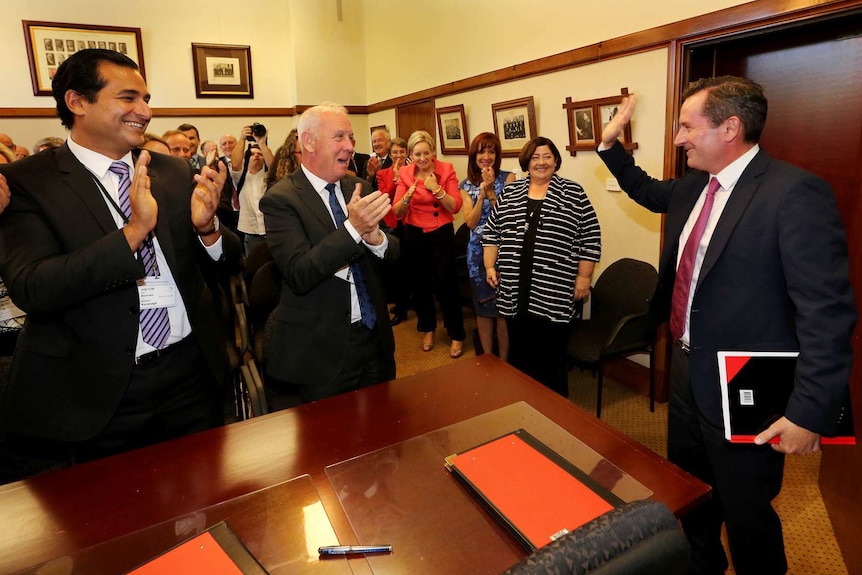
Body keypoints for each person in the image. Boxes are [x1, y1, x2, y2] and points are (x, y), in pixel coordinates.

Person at [597, 77, 855, 575]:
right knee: (692, 498)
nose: (678, 139)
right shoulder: (695, 184)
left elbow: (827, 314)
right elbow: (647, 191)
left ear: (730, 127)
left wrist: (808, 413)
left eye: (687, 127)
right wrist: (611, 144)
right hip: (686, 372)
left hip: (746, 385)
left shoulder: (793, 193)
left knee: (747, 517)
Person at [0, 48, 242, 466]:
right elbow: (35, 286)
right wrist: (132, 234)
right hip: (96, 392)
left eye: (146, 99)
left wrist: (208, 231)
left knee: (201, 507)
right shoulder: (29, 182)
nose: (144, 111)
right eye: (128, 98)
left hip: (190, 375)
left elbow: (227, 263)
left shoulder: (173, 172)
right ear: (77, 102)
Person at [259, 103, 398, 402]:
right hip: (324, 350)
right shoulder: (280, 200)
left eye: (351, 138)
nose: (349, 147)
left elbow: (394, 253)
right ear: (308, 141)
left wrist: (376, 238)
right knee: (331, 441)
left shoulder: (358, 186)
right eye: (339, 138)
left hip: (375, 339)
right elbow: (299, 273)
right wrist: (353, 229)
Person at [483, 137, 600, 396]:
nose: (541, 162)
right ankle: (521, 402)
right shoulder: (511, 192)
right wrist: (490, 266)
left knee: (551, 356)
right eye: (535, 157)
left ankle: (554, 411)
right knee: (519, 352)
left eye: (547, 156)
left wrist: (583, 276)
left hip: (553, 291)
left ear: (556, 161)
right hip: (514, 289)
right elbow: (492, 231)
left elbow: (590, 236)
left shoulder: (573, 193)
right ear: (526, 161)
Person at [393, 130, 466, 358]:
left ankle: (456, 333)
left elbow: (455, 206)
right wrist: (407, 196)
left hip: (440, 231)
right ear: (411, 155)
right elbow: (396, 211)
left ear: (433, 151)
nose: (422, 158)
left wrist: (436, 188)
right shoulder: (405, 173)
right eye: (417, 154)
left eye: (426, 153)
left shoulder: (446, 169)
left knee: (446, 283)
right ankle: (427, 328)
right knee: (420, 284)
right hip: (414, 232)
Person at [460, 132, 515, 360]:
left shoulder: (509, 178)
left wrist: (492, 193)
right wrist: (481, 196)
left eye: (491, 151)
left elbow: (508, 218)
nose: (486, 156)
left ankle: (504, 362)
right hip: (476, 254)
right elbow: (471, 223)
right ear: (474, 155)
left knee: (503, 311)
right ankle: (488, 358)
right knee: (482, 309)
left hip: (504, 250)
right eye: (482, 151)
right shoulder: (465, 185)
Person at [375, 136, 410, 325]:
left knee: (409, 266)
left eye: (402, 152)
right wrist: (396, 179)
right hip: (391, 224)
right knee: (396, 268)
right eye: (395, 152)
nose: (398, 156)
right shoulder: (382, 173)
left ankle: (408, 303)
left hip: (410, 223)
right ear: (390, 154)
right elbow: (384, 197)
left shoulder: (414, 171)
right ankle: (401, 308)